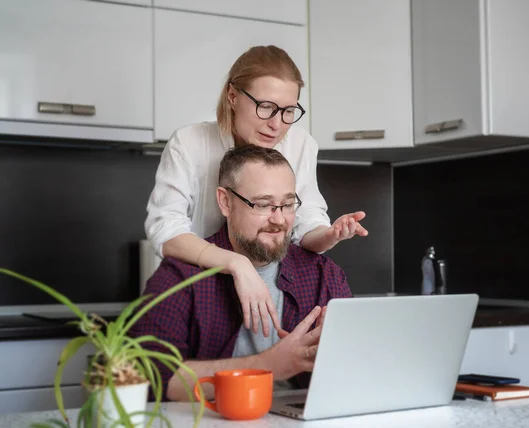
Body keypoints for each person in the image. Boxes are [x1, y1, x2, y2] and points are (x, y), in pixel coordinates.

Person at [144, 45, 366, 337]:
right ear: (233, 96)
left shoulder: (301, 145)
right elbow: (165, 228)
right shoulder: (190, 144)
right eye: (265, 107)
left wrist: (329, 235)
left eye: (288, 111)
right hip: (200, 288)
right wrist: (237, 264)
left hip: (267, 281)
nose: (276, 124)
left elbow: (306, 222)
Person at [132, 145, 353, 401]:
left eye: (288, 204)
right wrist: (268, 365)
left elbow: (357, 371)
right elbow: (147, 377)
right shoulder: (181, 277)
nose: (279, 220)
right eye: (263, 205)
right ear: (225, 202)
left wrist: (339, 352)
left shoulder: (324, 276)